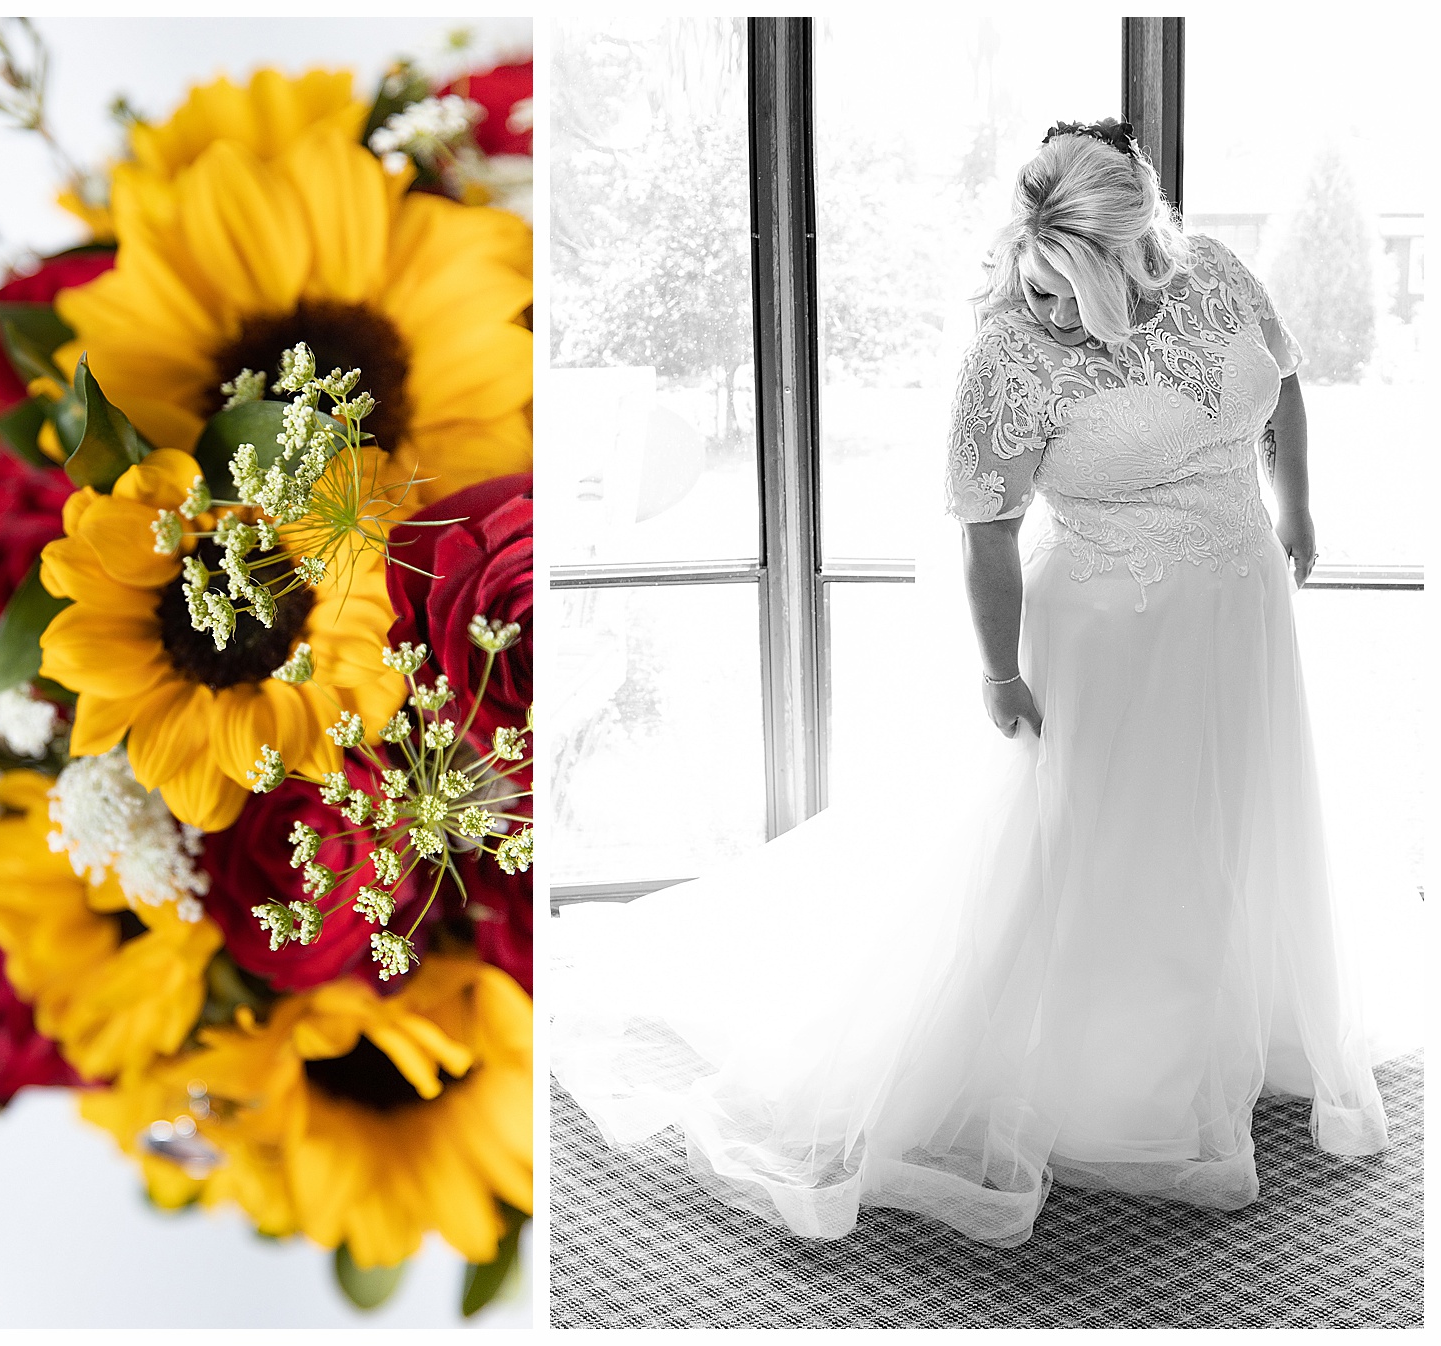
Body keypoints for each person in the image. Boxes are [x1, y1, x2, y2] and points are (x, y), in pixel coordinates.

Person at [551, 119, 1390, 1247]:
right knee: (1115, 851)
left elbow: (1281, 384)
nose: (1044, 308)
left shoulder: (1218, 274)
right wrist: (999, 670)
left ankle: (1245, 1028)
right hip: (1106, 637)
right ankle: (1114, 1074)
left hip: (1240, 613)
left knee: (1230, 824)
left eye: (1067, 289)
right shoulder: (1004, 354)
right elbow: (985, 529)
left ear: (1138, 249)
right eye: (1035, 282)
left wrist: (1297, 510)